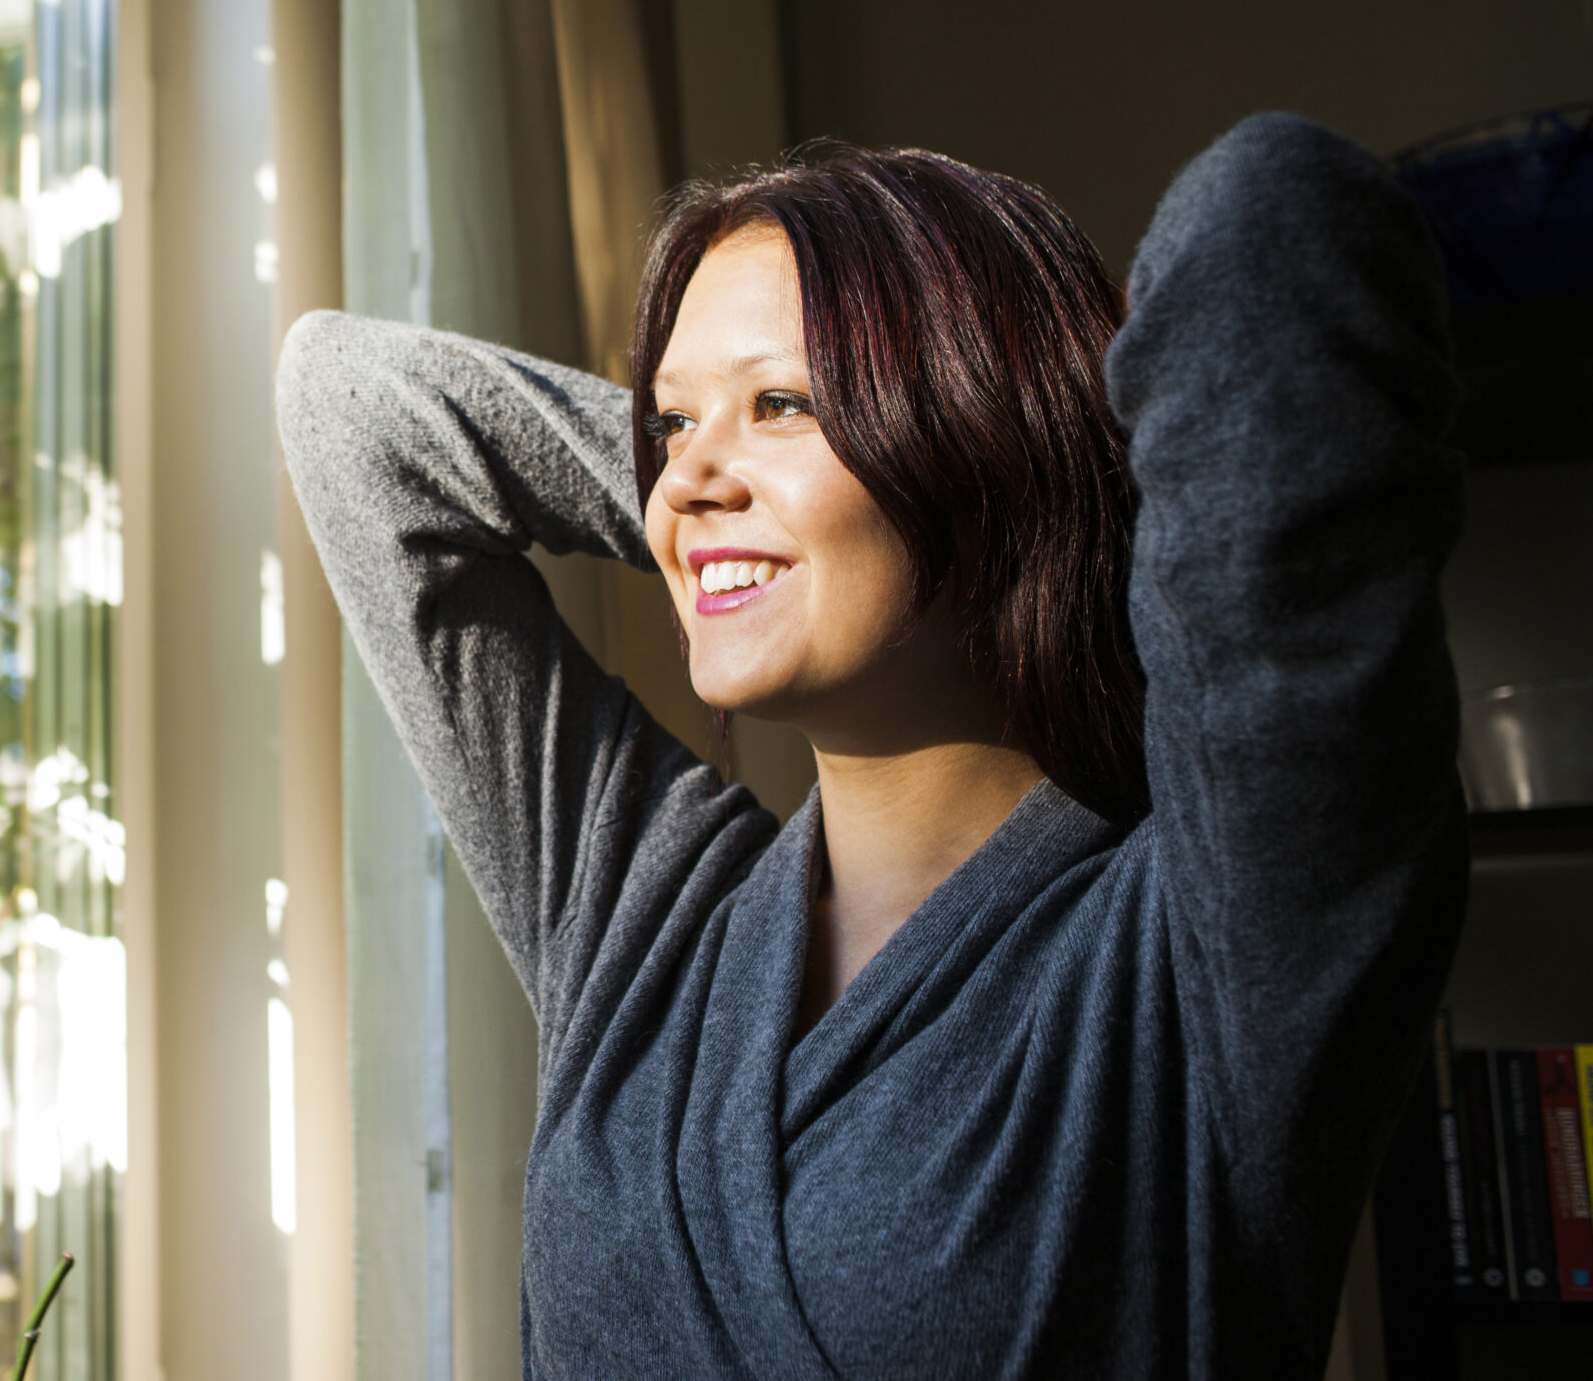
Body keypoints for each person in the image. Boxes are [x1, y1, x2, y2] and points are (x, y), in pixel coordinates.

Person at [275, 114, 1466, 1379]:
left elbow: (1269, 216)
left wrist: (1008, 494)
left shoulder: (1215, 943)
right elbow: (352, 405)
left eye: (781, 402)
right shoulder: (644, 919)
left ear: (981, 439)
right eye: (669, 425)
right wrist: (733, 526)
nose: (682, 478)